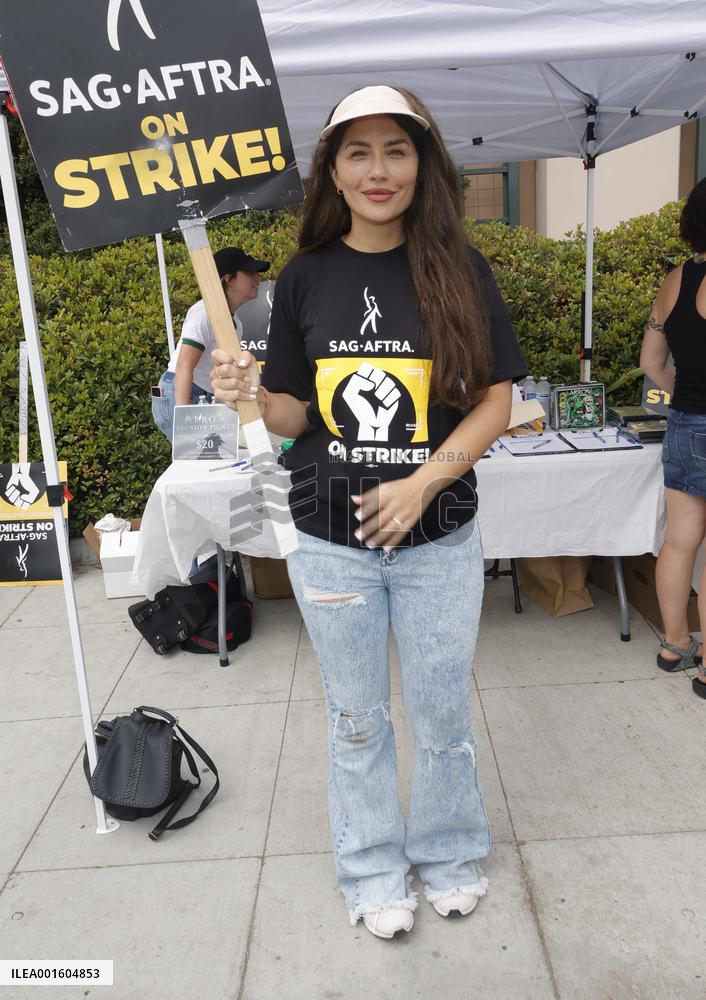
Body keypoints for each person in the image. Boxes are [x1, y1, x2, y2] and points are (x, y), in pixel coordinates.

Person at [211, 85, 526, 938]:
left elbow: (499, 401)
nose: (379, 170)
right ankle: (371, 867)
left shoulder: (461, 266)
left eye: (397, 149)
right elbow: (288, 415)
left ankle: (451, 853)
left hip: (438, 539)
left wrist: (424, 482)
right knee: (356, 720)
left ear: (423, 164)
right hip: (330, 542)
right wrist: (242, 393)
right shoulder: (306, 276)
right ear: (334, 172)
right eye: (359, 152)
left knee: (441, 713)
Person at [640, 176, 706, 696]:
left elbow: (650, 361)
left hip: (684, 422)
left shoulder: (676, 279)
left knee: (678, 541)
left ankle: (675, 645)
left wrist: (683, 394)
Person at [151, 246, 269, 442]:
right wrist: (183, 417)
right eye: (250, 273)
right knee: (194, 461)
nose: (258, 278)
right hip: (181, 393)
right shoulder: (205, 313)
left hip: (201, 396)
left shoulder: (235, 322)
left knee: (207, 460)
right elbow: (183, 366)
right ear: (228, 279)